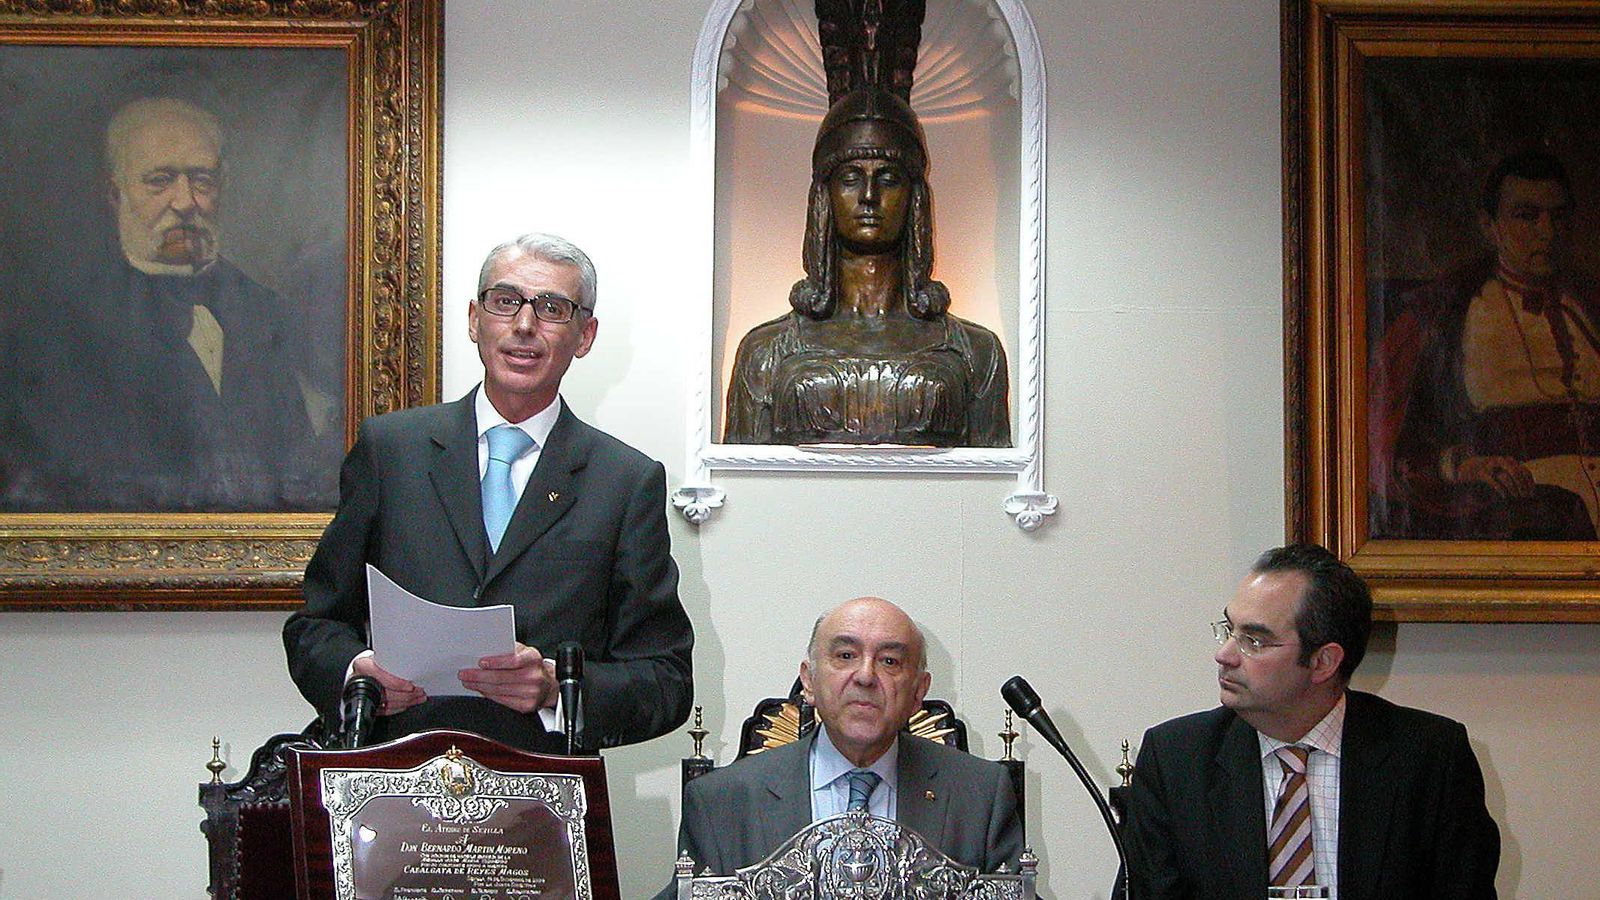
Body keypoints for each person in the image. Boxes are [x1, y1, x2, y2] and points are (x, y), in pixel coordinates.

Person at [282, 233, 693, 754]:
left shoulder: (624, 481)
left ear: (585, 336)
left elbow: (667, 679)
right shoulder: (390, 452)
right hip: (392, 780)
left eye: (551, 308)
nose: (525, 325)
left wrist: (555, 689)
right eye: (506, 302)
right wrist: (356, 675)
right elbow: (314, 626)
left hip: (541, 795)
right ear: (475, 319)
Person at [2, 96, 334, 512]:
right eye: (160, 180)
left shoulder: (267, 314)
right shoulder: (57, 329)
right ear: (115, 192)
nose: (184, 202)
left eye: (201, 181)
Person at [1123, 544, 1500, 899]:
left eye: (1253, 641)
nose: (1224, 655)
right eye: (1228, 629)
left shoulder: (1430, 758)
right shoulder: (1176, 760)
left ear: (1323, 662)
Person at [721, 1, 1009, 447]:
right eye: (851, 178)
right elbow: (742, 487)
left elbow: (992, 485)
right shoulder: (766, 350)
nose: (869, 197)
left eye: (888, 179)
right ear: (825, 197)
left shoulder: (975, 349)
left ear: (914, 199)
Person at [664, 597, 1022, 894]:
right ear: (808, 680)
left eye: (890, 661)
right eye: (846, 656)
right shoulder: (721, 802)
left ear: (918, 692)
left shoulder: (980, 796)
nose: (866, 676)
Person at [1371, 150, 1600, 539]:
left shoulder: (1588, 304)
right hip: (1520, 511)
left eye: (1558, 216)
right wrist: (1465, 467)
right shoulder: (1446, 315)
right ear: (1490, 225)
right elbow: (1388, 444)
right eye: (1527, 216)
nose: (1547, 231)